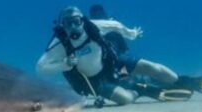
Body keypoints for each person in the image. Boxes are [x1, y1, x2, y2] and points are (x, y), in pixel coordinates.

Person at [36, 6, 180, 106]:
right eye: (68, 23)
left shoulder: (93, 26)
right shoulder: (59, 44)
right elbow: (40, 68)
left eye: (76, 21)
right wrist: (64, 64)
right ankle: (140, 89)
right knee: (126, 99)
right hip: (93, 81)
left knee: (152, 68)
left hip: (111, 62)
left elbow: (115, 25)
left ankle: (180, 81)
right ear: (62, 25)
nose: (74, 27)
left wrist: (131, 34)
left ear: (82, 20)